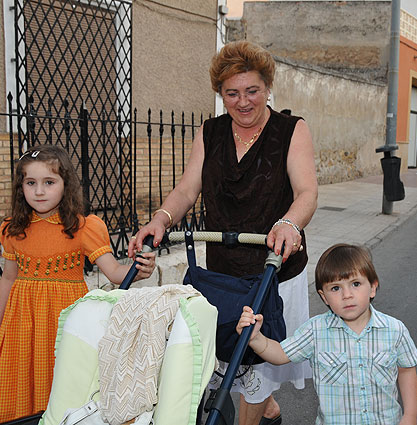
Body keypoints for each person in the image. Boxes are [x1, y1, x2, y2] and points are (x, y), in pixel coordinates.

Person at [129, 40, 318, 425]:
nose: (243, 102)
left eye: (252, 91)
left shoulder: (290, 130)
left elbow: (306, 192)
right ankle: (268, 410)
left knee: (257, 365)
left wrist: (289, 222)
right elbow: (187, 190)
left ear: (268, 88)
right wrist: (161, 219)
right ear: (220, 94)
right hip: (222, 272)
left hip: (273, 269)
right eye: (232, 93)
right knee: (228, 360)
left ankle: (257, 410)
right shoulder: (210, 132)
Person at [0, 145, 156, 424]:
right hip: (22, 325)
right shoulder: (12, 229)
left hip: (65, 322)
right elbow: (8, 278)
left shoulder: (83, 227)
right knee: (20, 381)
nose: (39, 191)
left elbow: (114, 272)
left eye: (49, 182)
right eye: (31, 183)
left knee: (63, 381)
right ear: (20, 187)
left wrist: (139, 270)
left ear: (65, 184)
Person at [237, 244, 417, 425]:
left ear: (372, 287)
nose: (347, 295)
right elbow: (280, 354)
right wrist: (255, 338)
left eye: (355, 284)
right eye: (335, 288)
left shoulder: (395, 330)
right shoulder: (315, 331)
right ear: (324, 296)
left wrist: (410, 415)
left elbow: (406, 370)